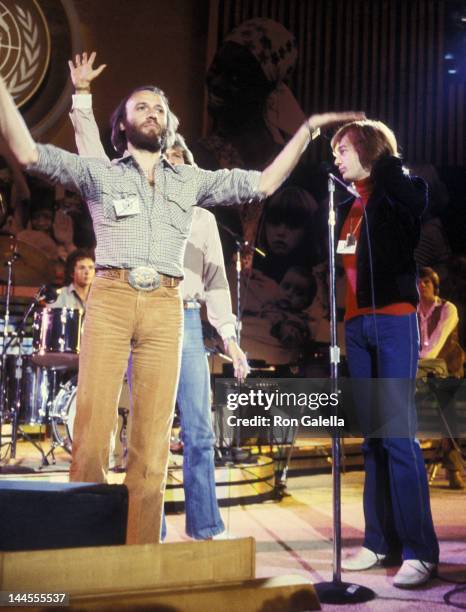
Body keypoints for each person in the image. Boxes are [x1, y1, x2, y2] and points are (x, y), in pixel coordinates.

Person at [0, 59, 361, 544]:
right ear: (122, 125)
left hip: (167, 307)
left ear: (170, 125)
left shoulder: (190, 182)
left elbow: (262, 183)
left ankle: (141, 546)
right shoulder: (99, 174)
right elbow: (25, 151)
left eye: (160, 107)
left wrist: (307, 130)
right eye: (141, 106)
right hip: (110, 298)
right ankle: (84, 545)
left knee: (151, 441)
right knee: (92, 429)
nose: (152, 112)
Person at [68, 53, 248, 538]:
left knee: (193, 429)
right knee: (109, 421)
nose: (169, 168)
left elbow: (216, 284)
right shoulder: (125, 187)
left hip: (182, 320)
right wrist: (82, 99)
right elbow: (91, 159)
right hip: (124, 303)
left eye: (177, 161)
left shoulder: (204, 218)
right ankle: (114, 532)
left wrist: (229, 338)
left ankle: (201, 527)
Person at [331, 120, 439, 587]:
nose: (336, 157)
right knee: (373, 438)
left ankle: (421, 549)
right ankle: (379, 542)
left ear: (368, 148)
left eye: (344, 148)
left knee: (398, 435)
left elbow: (416, 203)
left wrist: (385, 160)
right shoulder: (350, 204)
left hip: (393, 319)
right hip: (358, 325)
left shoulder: (400, 189)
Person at [417, 266, 465, 489]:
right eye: (419, 282)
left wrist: (417, 365)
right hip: (420, 372)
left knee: (447, 403)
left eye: (427, 281)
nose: (422, 285)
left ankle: (453, 466)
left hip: (447, 370)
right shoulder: (411, 311)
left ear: (435, 285)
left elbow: (436, 343)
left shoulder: (448, 309)